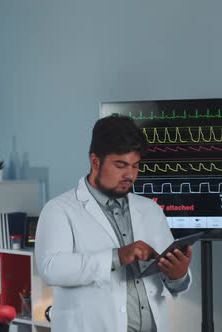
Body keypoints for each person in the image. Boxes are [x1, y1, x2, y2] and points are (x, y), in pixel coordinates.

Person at [35, 114, 192, 332]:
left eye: (136, 166)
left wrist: (178, 274)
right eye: (121, 165)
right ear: (95, 161)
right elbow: (51, 268)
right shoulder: (59, 209)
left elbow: (171, 281)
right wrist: (117, 256)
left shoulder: (150, 209)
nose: (130, 175)